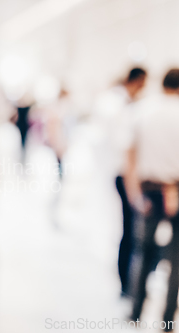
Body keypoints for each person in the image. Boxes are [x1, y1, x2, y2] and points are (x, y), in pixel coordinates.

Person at [126, 69, 179, 331]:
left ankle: (136, 311)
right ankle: (167, 320)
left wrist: (134, 192)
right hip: (176, 189)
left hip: (149, 189)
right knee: (176, 258)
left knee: (144, 251)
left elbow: (131, 154)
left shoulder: (145, 112)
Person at [94, 67, 147, 296]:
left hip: (123, 171)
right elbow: (122, 144)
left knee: (132, 229)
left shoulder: (127, 105)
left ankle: (130, 281)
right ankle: (127, 282)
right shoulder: (118, 106)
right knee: (131, 229)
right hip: (124, 173)